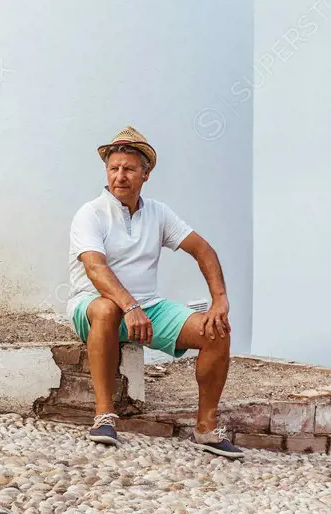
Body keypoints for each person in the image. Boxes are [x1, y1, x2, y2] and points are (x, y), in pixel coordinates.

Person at [67, 125, 241, 458]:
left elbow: (203, 249)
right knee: (107, 309)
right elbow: (95, 268)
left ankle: (205, 428)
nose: (120, 176)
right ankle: (104, 415)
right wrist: (130, 306)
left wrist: (220, 300)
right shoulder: (90, 213)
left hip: (148, 307)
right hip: (93, 305)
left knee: (215, 331)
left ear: (146, 174)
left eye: (129, 169)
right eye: (114, 168)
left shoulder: (159, 213)